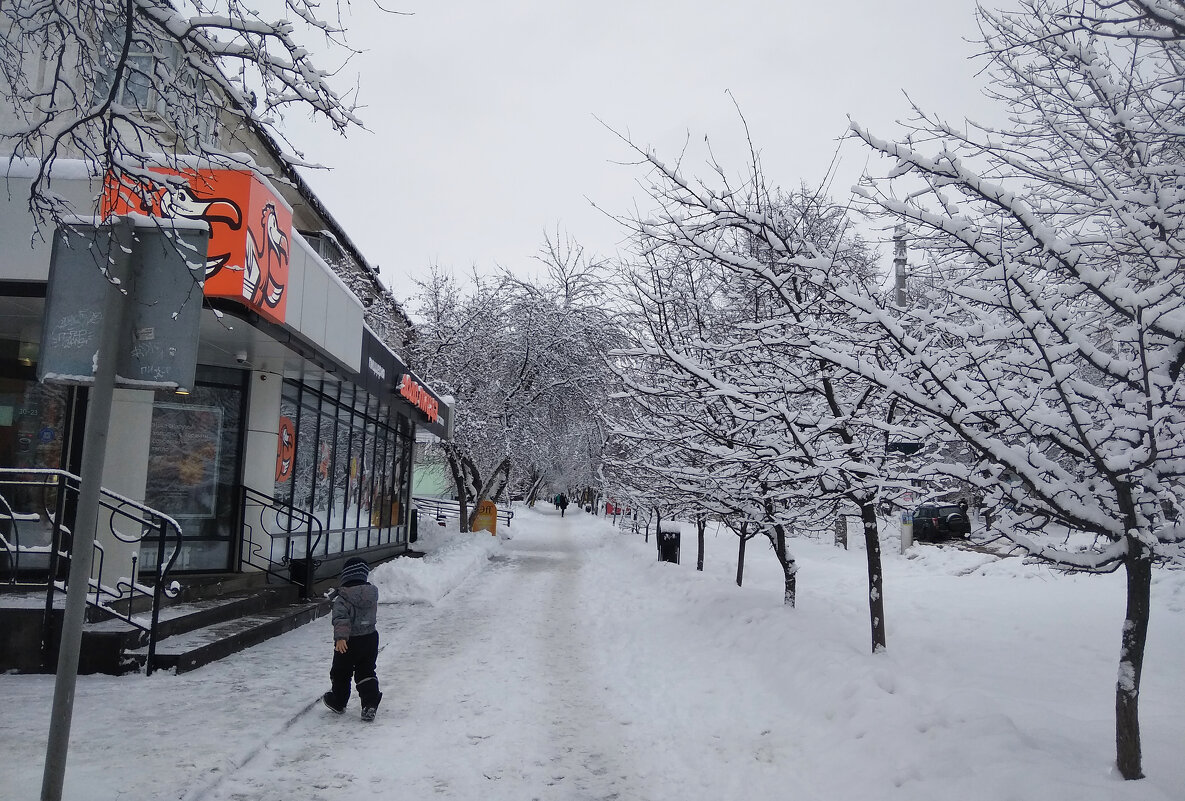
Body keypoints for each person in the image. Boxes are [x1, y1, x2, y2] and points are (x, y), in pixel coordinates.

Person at [322, 557, 383, 722]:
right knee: (366, 671)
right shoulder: (371, 595)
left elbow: (341, 619)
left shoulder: (343, 598)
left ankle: (338, 701)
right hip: (370, 638)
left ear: (346, 576)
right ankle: (369, 703)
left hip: (348, 641)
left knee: (341, 672)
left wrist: (341, 638)